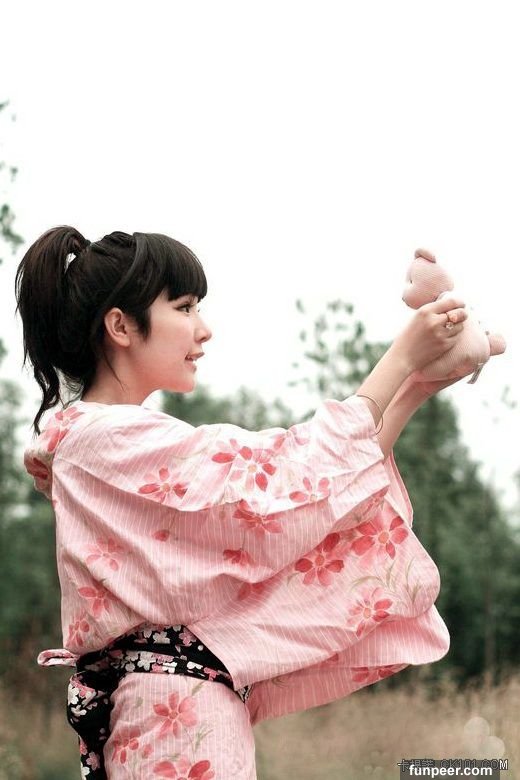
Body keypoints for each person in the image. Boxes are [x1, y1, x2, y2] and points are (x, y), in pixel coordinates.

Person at [16, 227, 468, 780]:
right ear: (121, 326)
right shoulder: (107, 440)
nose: (203, 329)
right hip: (175, 719)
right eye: (184, 307)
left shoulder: (108, 443)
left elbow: (312, 498)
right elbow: (279, 483)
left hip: (177, 711)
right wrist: (399, 359)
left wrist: (413, 387)